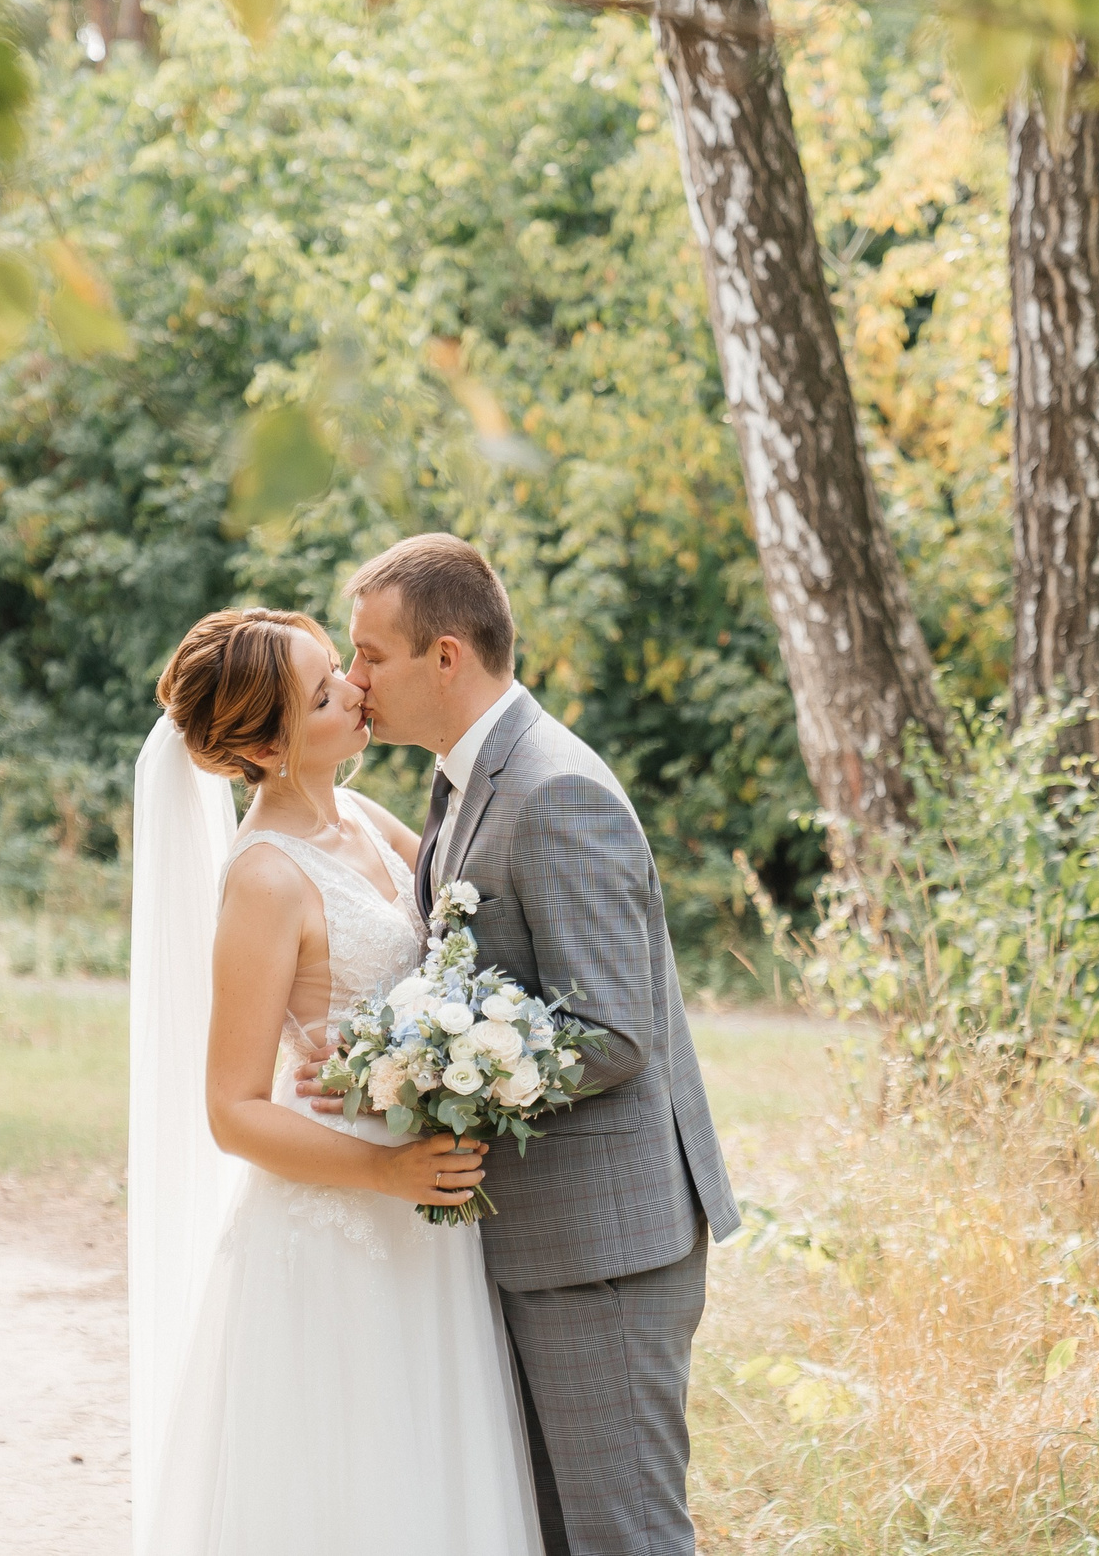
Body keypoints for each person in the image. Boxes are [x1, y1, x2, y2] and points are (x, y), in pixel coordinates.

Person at [302, 534, 740, 1556]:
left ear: (445, 658)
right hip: (544, 1241)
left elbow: (614, 1030)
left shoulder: (554, 792)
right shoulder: (463, 780)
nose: (356, 680)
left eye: (371, 656)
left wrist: (422, 1074)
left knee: (623, 1537)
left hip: (605, 1247)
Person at [128, 606, 540, 1556]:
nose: (356, 689)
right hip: (344, 1223)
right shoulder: (266, 880)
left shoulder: (358, 813)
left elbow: (451, 940)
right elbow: (232, 1111)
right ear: (268, 746)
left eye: (340, 670)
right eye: (324, 692)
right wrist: (388, 1174)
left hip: (424, 1206)